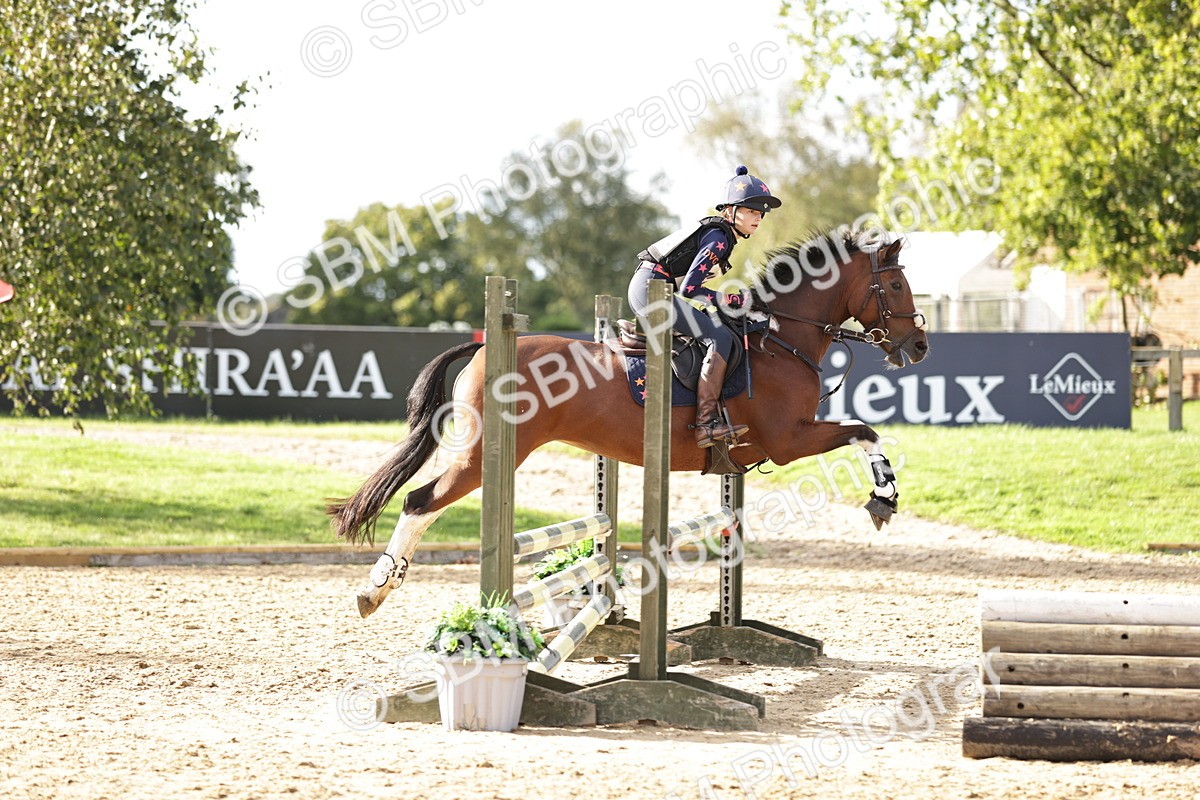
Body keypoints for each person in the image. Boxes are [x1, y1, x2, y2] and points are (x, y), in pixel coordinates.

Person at [628, 165, 781, 448]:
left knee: (717, 327)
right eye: (751, 210)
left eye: (761, 213)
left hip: (653, 288)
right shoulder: (719, 237)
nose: (758, 217)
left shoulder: (721, 235)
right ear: (731, 211)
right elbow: (690, 288)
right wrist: (726, 299)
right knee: (719, 336)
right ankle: (706, 423)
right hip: (652, 290)